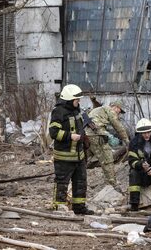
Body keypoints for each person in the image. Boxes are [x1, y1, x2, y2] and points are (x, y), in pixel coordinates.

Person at [48, 84, 93, 215]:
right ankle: (59, 207)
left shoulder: (76, 110)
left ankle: (79, 208)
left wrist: (84, 138)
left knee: (80, 182)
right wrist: (70, 136)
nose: (78, 102)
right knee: (62, 182)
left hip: (79, 156)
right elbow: (53, 132)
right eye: (76, 99)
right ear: (69, 99)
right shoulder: (58, 112)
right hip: (64, 156)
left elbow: (79, 128)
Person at [85, 100, 130, 192]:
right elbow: (118, 126)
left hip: (87, 136)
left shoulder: (98, 110)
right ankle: (113, 184)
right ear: (116, 107)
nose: (119, 113)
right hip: (96, 135)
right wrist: (126, 140)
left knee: (87, 159)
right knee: (108, 158)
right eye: (119, 111)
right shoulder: (110, 110)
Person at [127, 118, 151, 211]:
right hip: (142, 172)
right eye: (144, 133)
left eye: (148, 132)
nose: (147, 135)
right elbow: (131, 161)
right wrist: (141, 165)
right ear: (139, 133)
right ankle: (134, 204)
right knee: (133, 173)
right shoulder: (134, 143)